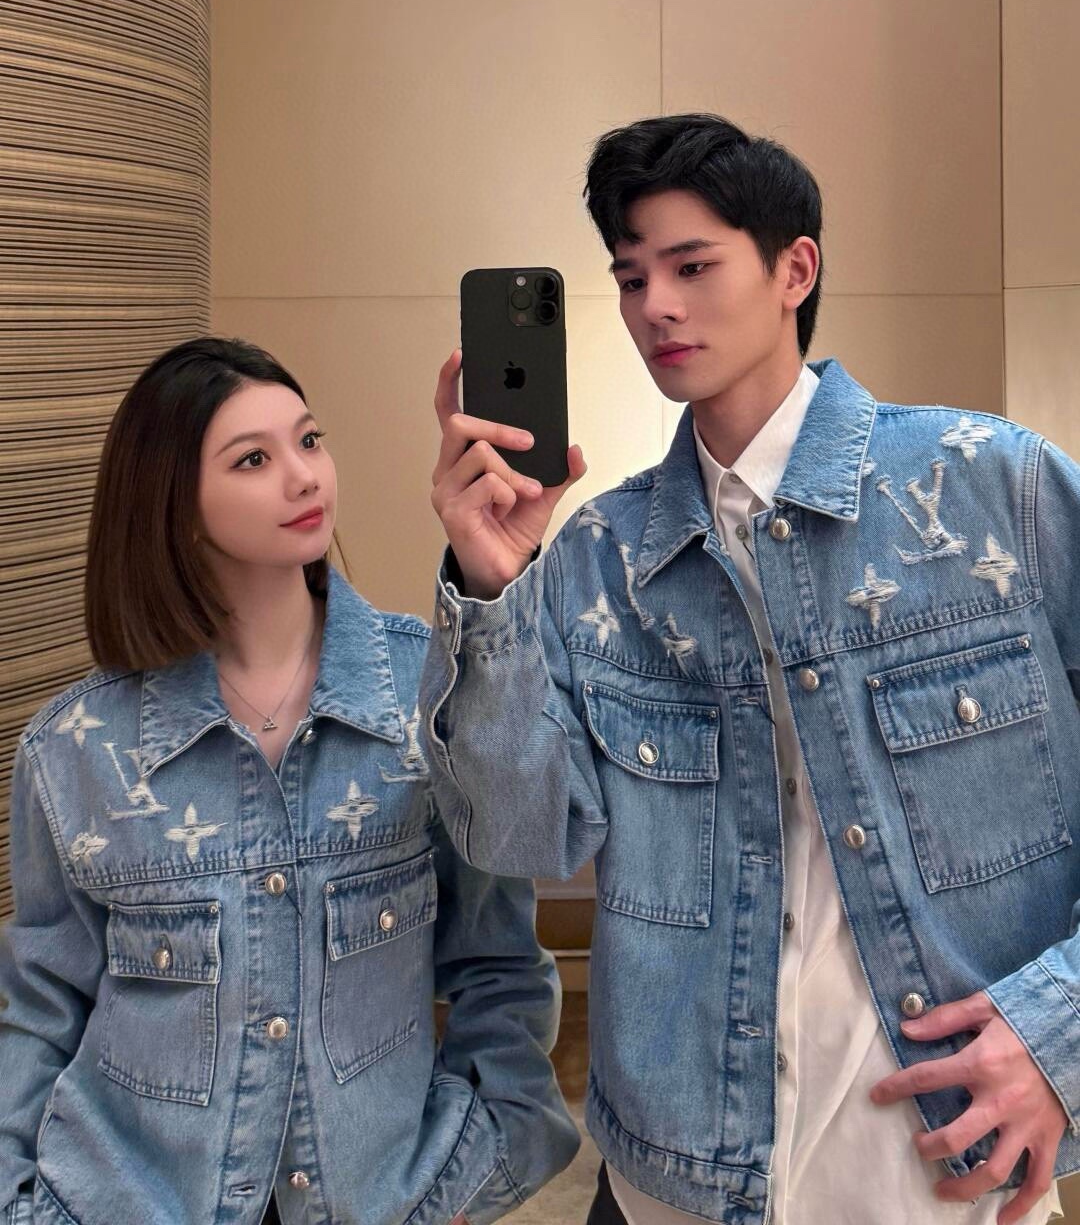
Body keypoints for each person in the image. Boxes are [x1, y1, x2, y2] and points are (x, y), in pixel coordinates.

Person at [420, 113, 1080, 1225]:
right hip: (672, 1181)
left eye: (691, 266)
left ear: (794, 270)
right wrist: (492, 591)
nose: (655, 307)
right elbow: (521, 838)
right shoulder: (598, 557)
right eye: (631, 277)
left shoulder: (991, 489)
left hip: (941, 1184)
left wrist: (1060, 1032)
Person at [0, 336, 577, 1225]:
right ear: (174, 504)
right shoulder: (74, 748)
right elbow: (39, 1009)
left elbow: (499, 967)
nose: (304, 477)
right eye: (253, 460)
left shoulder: (427, 698)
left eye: (309, 441)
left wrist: (475, 1168)